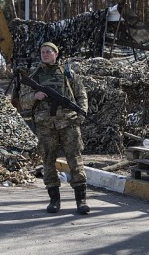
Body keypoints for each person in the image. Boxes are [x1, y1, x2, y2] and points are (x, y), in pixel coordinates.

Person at [19, 42, 90, 214]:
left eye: (48, 52)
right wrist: (35, 96)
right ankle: (54, 201)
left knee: (75, 160)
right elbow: (23, 100)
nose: (44, 54)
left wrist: (81, 115)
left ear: (55, 54)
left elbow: (82, 96)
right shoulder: (35, 76)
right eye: (42, 52)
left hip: (68, 124)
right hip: (45, 125)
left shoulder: (68, 74)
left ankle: (81, 201)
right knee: (48, 162)